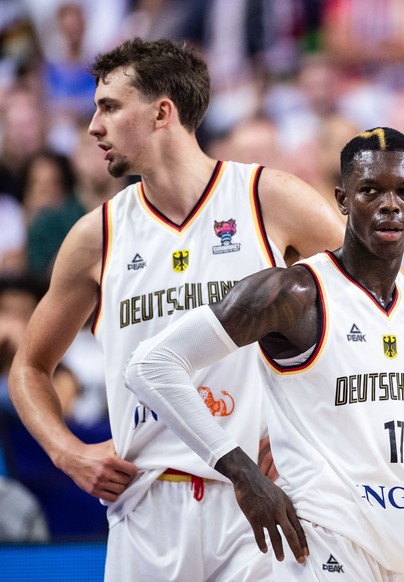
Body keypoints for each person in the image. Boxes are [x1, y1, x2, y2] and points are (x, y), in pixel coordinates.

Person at [8, 37, 345, 581]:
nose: (94, 126)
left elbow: (383, 311)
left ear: (163, 112)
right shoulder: (98, 235)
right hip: (148, 505)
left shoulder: (267, 198)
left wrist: (313, 430)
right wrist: (67, 452)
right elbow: (28, 367)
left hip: (262, 503)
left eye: (110, 107)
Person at [125, 126, 404, 580]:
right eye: (370, 191)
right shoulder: (294, 292)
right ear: (342, 199)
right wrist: (243, 474)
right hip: (322, 537)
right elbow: (151, 366)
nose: (390, 205)